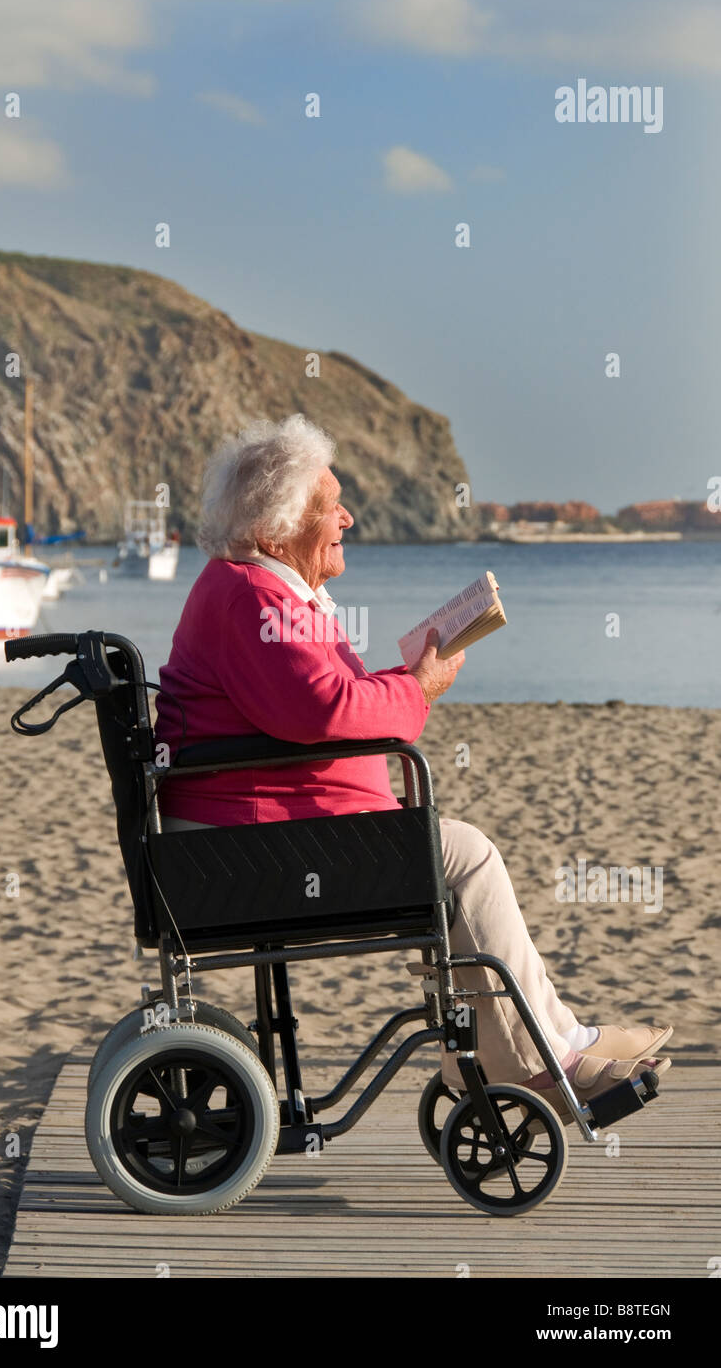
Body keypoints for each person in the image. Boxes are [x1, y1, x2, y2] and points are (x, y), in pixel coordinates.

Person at [154, 414, 671, 1120]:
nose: (347, 516)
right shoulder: (254, 598)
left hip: (257, 833)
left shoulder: (256, 588)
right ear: (276, 531)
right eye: (328, 505)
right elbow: (323, 714)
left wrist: (408, 676)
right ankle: (536, 1061)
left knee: (455, 851)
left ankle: (550, 1041)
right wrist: (417, 686)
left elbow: (318, 706)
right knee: (465, 855)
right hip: (254, 851)